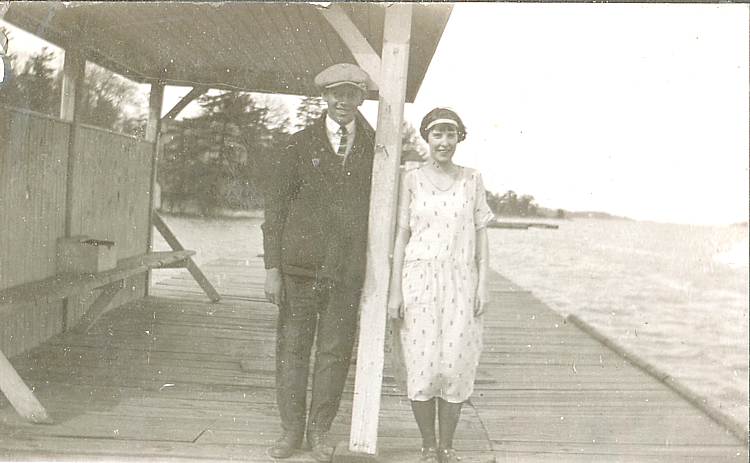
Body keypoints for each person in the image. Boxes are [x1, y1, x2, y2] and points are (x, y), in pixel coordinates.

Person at [261, 63, 374, 462]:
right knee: (292, 350)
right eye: (336, 94)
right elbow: (274, 209)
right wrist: (272, 268)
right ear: (324, 97)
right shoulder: (298, 144)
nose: (344, 102)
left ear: (362, 97)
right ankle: (291, 431)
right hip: (299, 270)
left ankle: (320, 432)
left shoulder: (375, 148)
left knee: (335, 352)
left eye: (352, 94)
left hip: (346, 271)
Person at [387, 108, 493, 463]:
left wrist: (482, 285)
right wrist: (395, 290)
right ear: (426, 138)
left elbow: (481, 235)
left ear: (459, 138)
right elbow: (402, 234)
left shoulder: (472, 179)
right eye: (437, 135)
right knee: (422, 366)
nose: (444, 142)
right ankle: (428, 447)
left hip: (461, 280)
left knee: (454, 366)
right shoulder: (411, 178)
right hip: (418, 279)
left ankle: (448, 446)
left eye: (450, 134)